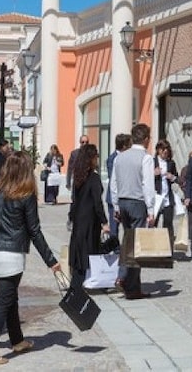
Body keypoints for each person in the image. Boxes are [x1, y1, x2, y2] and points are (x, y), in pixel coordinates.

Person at [0, 151, 61, 366]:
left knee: (9, 297)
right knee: (3, 302)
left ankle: (17, 340)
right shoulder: (25, 195)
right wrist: (51, 260)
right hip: (11, 257)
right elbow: (35, 231)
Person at [110, 123, 156, 299]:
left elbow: (114, 183)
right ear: (145, 139)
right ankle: (126, 282)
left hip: (122, 201)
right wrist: (151, 209)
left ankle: (130, 285)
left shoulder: (119, 157)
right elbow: (147, 185)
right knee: (137, 246)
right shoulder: (146, 158)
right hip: (138, 203)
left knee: (127, 242)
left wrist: (115, 205)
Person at [67, 144, 109, 289]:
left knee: (79, 255)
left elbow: (75, 199)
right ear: (91, 158)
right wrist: (104, 221)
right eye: (96, 156)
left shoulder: (78, 176)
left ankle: (76, 286)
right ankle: (77, 289)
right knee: (87, 254)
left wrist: (71, 216)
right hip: (90, 221)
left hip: (79, 219)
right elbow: (97, 202)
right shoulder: (94, 178)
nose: (97, 159)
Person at [106, 133, 132, 241]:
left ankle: (127, 250)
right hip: (114, 198)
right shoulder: (112, 159)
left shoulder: (128, 158)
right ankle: (115, 250)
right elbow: (114, 179)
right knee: (114, 227)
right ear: (124, 146)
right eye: (130, 145)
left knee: (128, 227)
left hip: (127, 197)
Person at [154, 139, 178, 248]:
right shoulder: (151, 161)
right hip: (156, 198)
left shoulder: (171, 163)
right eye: (163, 149)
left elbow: (177, 178)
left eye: (167, 149)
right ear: (158, 150)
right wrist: (153, 174)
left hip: (168, 198)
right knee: (153, 224)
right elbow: (143, 179)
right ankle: (151, 249)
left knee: (168, 225)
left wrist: (172, 177)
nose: (165, 151)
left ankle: (168, 251)